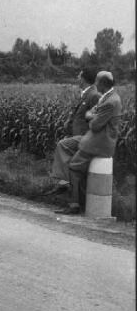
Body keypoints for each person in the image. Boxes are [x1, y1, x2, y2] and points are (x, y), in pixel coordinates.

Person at [55, 71, 122, 214]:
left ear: (103, 84)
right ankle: (64, 184)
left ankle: (74, 205)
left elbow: (94, 125)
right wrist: (92, 115)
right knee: (64, 144)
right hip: (92, 138)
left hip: (99, 142)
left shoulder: (111, 101)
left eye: (97, 82)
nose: (95, 84)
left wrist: (91, 116)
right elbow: (92, 113)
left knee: (73, 166)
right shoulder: (107, 97)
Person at [44, 68, 101, 196]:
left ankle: (64, 184)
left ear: (84, 79)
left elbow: (97, 118)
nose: (77, 78)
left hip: (85, 138)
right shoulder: (85, 94)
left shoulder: (94, 95)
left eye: (79, 76)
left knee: (62, 146)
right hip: (78, 136)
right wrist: (69, 122)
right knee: (74, 167)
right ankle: (75, 201)